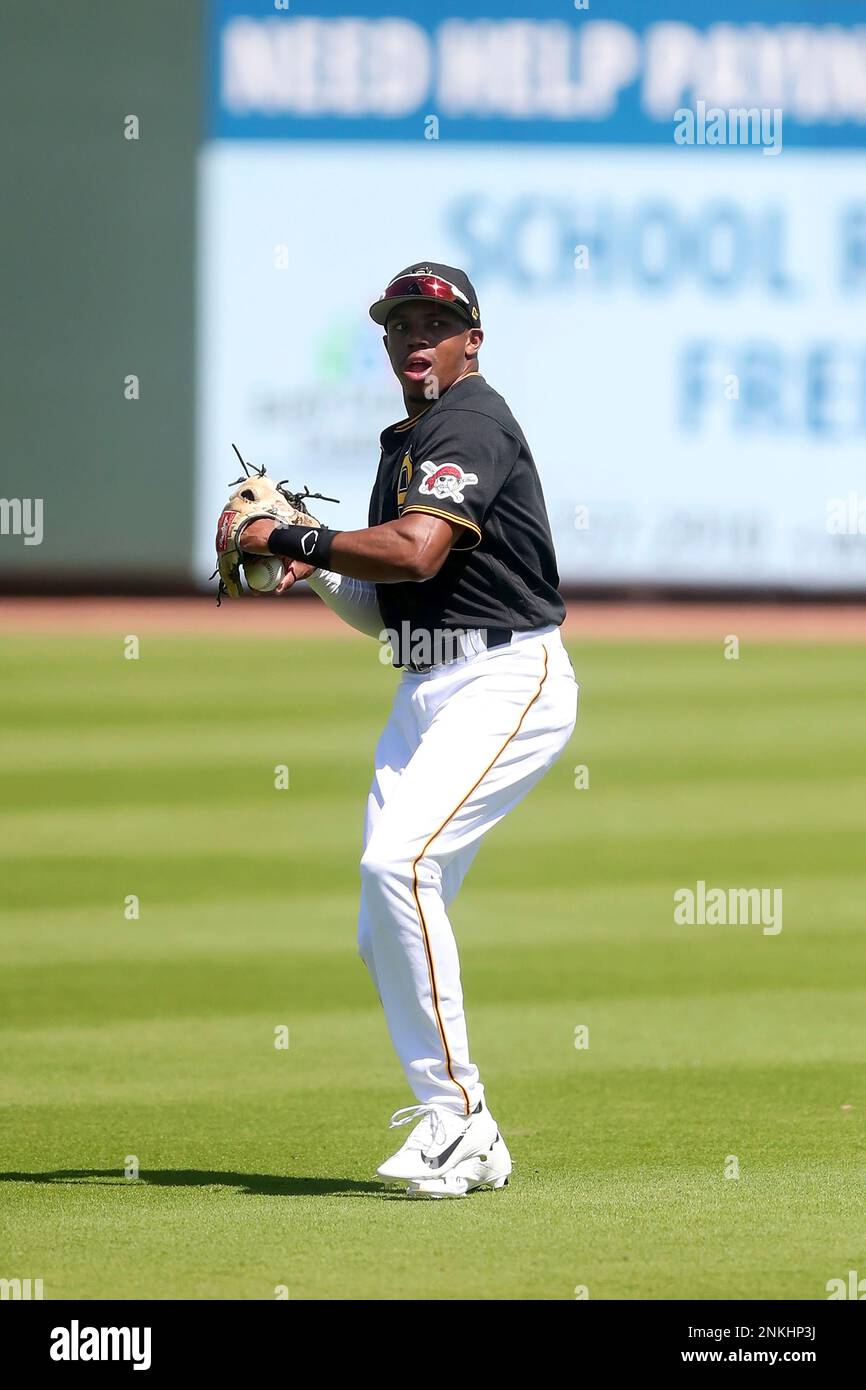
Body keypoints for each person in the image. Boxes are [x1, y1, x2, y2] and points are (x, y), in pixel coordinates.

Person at [241, 262, 579, 1198]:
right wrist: (314, 561)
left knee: (400, 866)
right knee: (380, 925)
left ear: (473, 337)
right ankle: (479, 1143)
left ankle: (458, 1118)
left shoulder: (469, 418)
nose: (415, 338)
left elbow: (418, 547)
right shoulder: (411, 442)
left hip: (505, 675)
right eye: (399, 325)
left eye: (435, 322)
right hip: (427, 683)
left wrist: (291, 540)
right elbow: (390, 604)